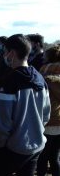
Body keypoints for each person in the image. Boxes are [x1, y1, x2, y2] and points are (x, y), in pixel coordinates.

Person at [0, 34, 51, 175]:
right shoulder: (40, 78)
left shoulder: (8, 83)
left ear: (12, 53)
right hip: (37, 145)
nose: (3, 54)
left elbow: (3, 123)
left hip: (15, 148)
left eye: (4, 51)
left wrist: (3, 145)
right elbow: (46, 114)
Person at [37, 45, 60, 176]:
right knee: (55, 157)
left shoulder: (42, 73)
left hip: (46, 120)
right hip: (58, 120)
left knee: (42, 157)